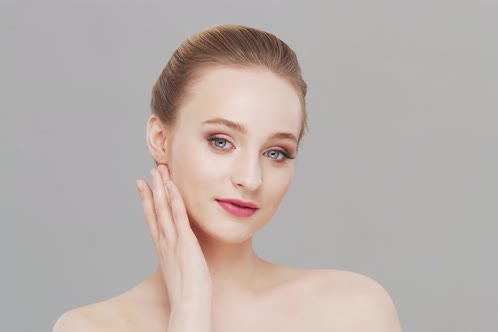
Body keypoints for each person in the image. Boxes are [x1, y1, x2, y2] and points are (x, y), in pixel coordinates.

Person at [52, 24, 402, 332]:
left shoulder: (353, 312)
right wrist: (190, 309)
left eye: (275, 153)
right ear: (161, 139)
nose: (251, 179)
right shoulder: (88, 328)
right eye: (221, 142)